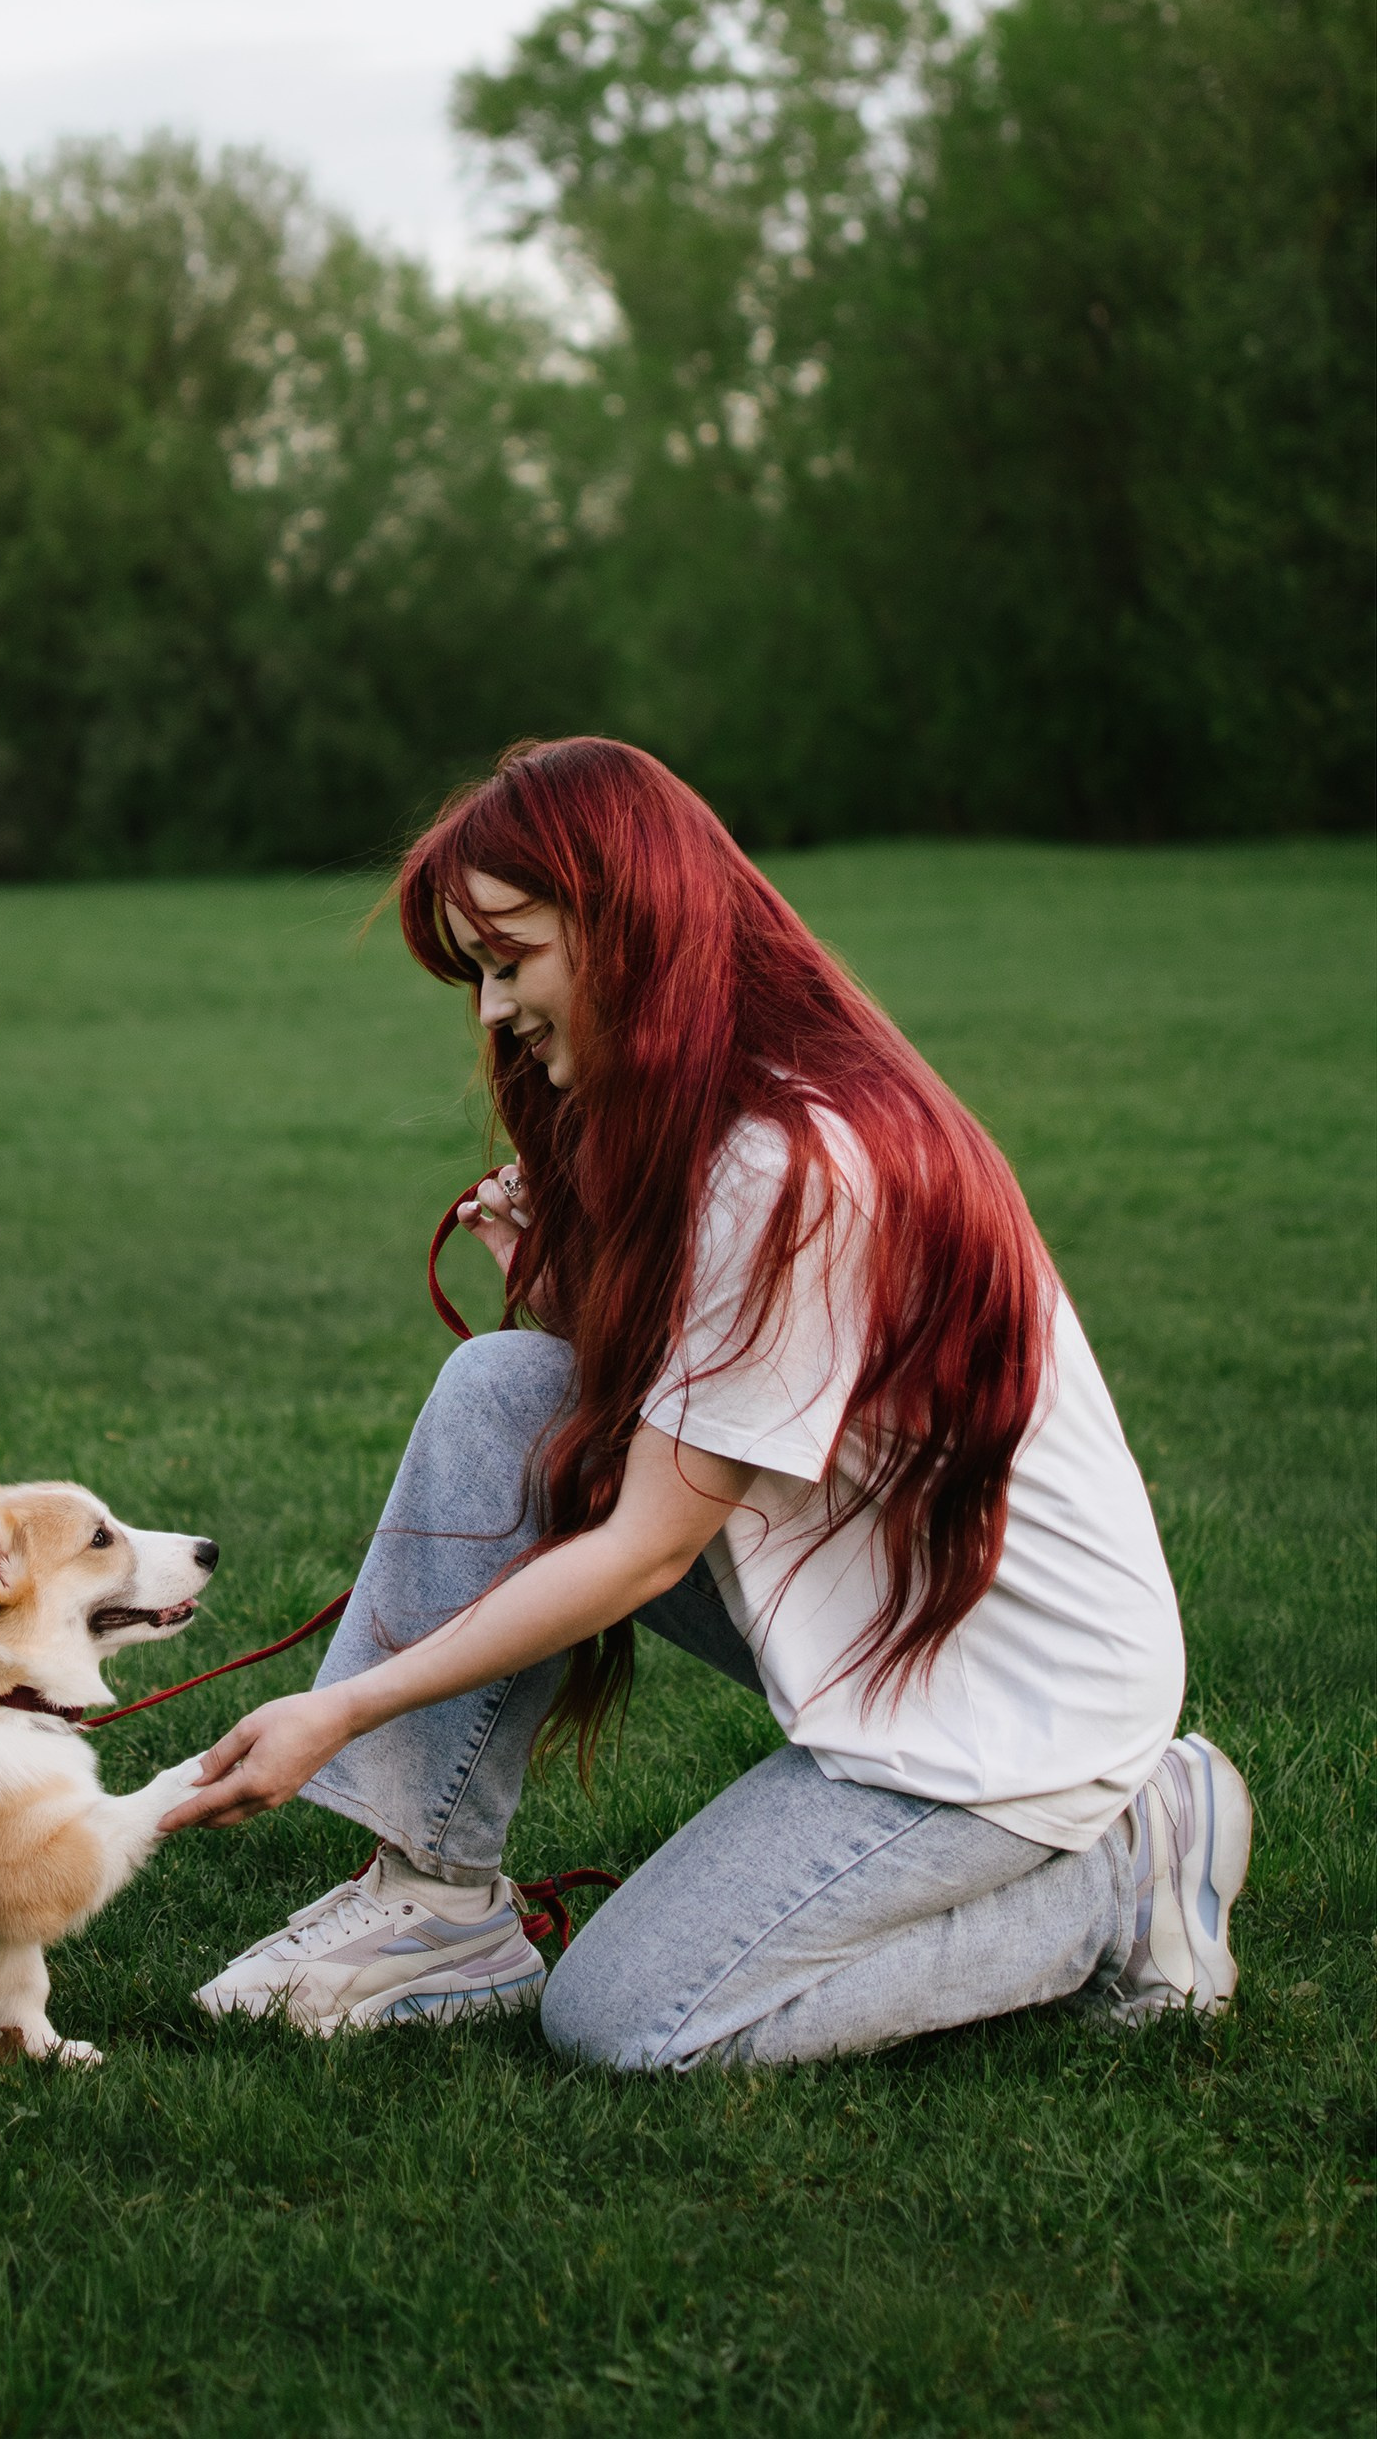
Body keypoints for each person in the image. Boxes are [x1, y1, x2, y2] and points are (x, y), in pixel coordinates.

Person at [161, 738, 1251, 2069]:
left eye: (511, 960)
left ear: (625, 927)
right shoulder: (721, 1112)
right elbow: (715, 1404)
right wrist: (568, 1290)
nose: (495, 1009)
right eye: (480, 974)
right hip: (874, 1596)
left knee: (632, 2021)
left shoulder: (788, 1162)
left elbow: (649, 1544)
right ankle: (431, 1909)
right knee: (509, 1387)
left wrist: (343, 1708)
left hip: (1003, 1699)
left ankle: (1123, 1868)